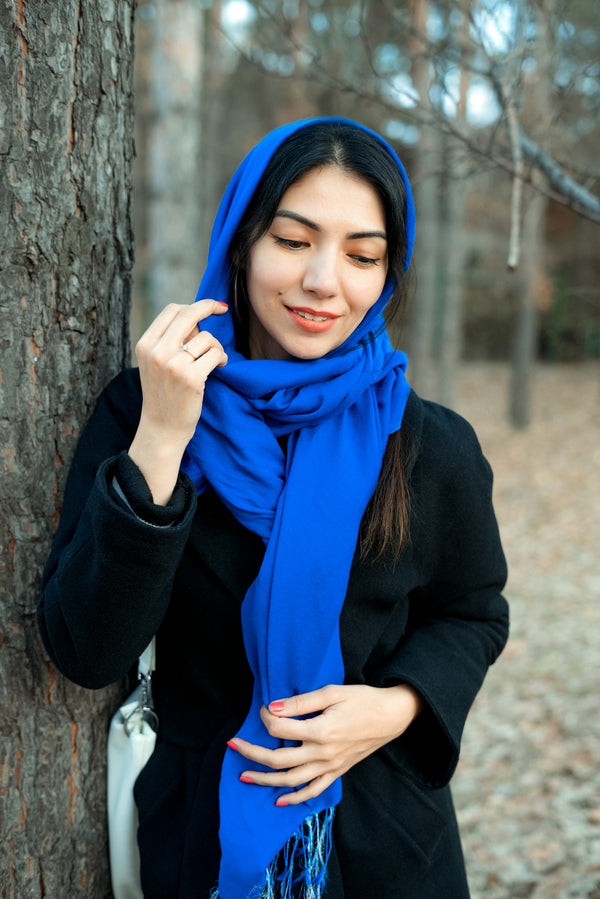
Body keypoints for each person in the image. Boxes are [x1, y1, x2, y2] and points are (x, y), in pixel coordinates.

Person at [37, 117, 509, 899]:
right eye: (293, 241)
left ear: (388, 272)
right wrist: (161, 436)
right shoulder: (146, 408)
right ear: (240, 241)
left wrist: (396, 707)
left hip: (387, 838)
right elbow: (87, 648)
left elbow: (473, 612)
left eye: (363, 254)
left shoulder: (430, 444)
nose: (326, 281)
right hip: (202, 840)